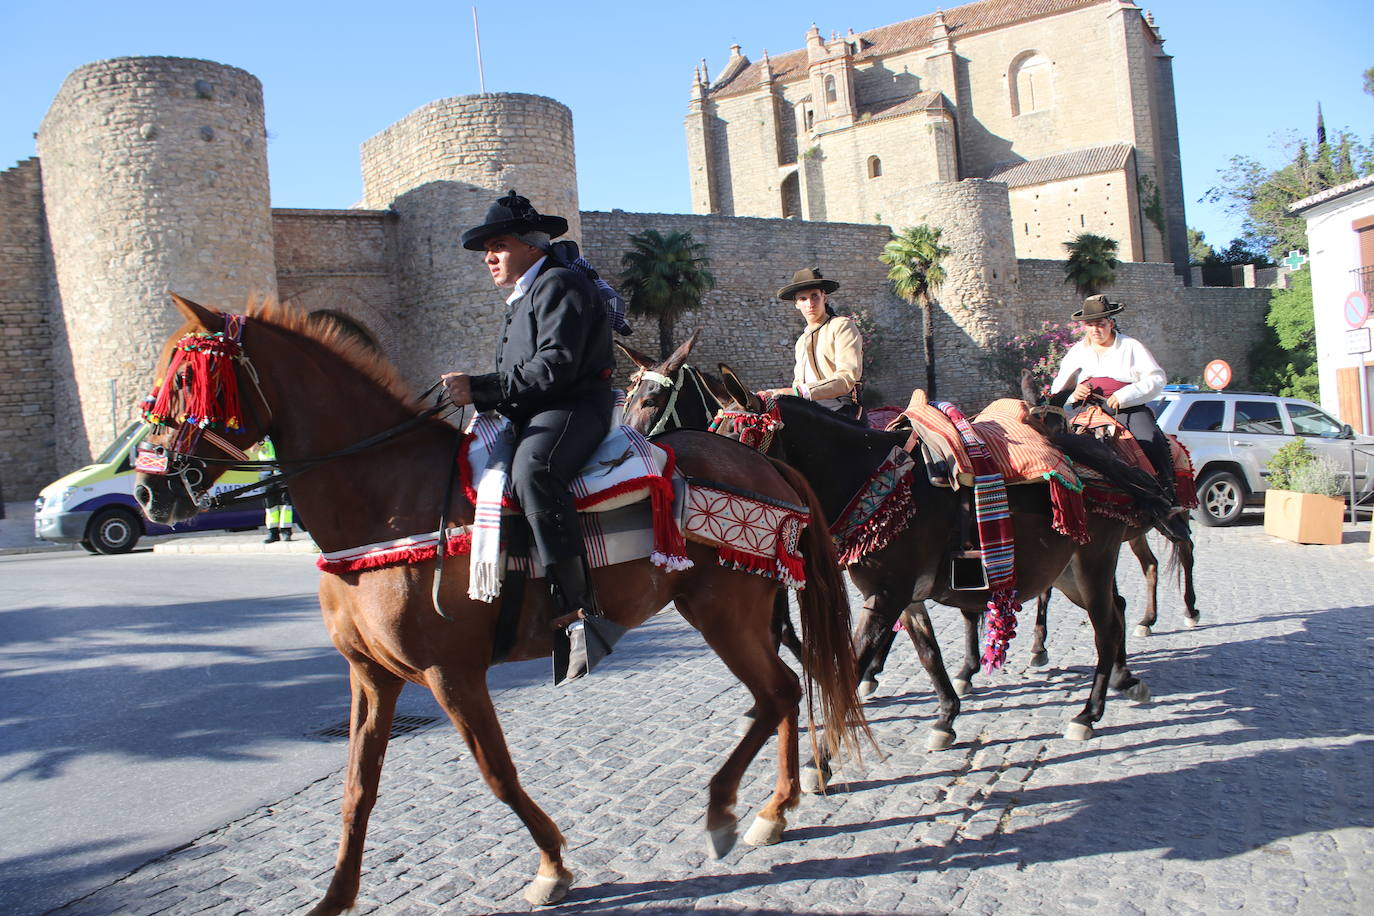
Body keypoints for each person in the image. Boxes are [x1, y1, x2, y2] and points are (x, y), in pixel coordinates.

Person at [441, 190, 623, 683]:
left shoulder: (558, 283)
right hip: (537, 409)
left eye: (497, 244)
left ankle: (576, 611)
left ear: (528, 244)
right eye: (487, 249)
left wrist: (480, 389)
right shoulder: (529, 293)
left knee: (533, 472)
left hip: (574, 406)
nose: (488, 257)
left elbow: (556, 367)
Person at [1050, 294, 1177, 503]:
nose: (1095, 330)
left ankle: (1167, 494)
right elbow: (1058, 386)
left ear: (1111, 322)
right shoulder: (1076, 352)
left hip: (1126, 409)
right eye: (1090, 325)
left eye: (1100, 324)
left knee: (1151, 438)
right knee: (1057, 442)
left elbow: (1156, 379)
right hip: (1084, 409)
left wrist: (1125, 395)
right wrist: (1073, 392)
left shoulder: (1131, 346)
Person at [764, 267, 864, 419]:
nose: (810, 303)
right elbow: (797, 383)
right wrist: (773, 394)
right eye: (803, 299)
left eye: (815, 296)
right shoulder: (801, 342)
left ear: (825, 297)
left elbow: (846, 378)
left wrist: (799, 392)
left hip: (843, 413)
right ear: (796, 304)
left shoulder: (842, 326)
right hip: (811, 413)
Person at [254, 436, 293, 543]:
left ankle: (286, 531)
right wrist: (261, 441)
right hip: (266, 471)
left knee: (286, 503)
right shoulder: (261, 435)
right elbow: (253, 449)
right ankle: (273, 532)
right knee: (269, 504)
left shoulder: (280, 432)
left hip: (281, 469)